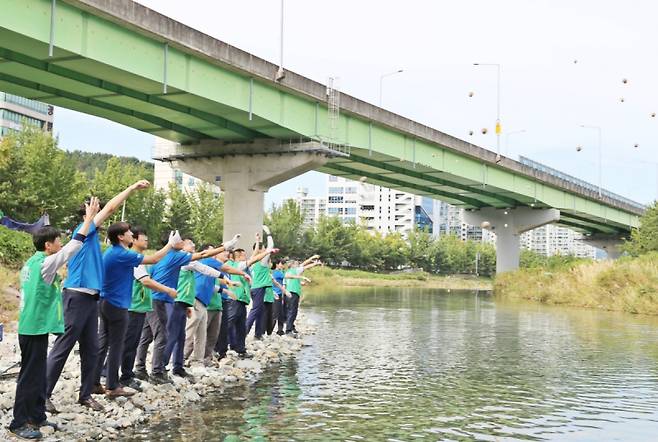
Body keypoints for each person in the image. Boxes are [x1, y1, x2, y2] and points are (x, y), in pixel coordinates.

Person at [46, 181, 150, 413]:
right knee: (63, 347)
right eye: (93, 210)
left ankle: (87, 393)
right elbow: (111, 209)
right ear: (87, 214)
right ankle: (43, 394)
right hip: (76, 296)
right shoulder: (83, 231)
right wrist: (131, 188)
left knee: (91, 349)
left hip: (92, 299)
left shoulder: (90, 237)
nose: (99, 214)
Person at [9, 197, 99, 440]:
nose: (61, 243)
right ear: (48, 245)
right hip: (33, 327)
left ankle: (37, 415)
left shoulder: (32, 261)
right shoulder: (46, 264)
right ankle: (18, 422)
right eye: (58, 240)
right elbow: (75, 246)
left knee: (37, 373)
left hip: (33, 325)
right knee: (29, 376)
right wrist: (89, 218)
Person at [135, 234, 244, 383]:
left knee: (170, 336)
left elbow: (203, 267)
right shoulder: (177, 256)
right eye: (187, 242)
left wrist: (223, 279)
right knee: (164, 336)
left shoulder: (161, 257)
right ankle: (157, 370)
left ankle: (165, 367)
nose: (192, 245)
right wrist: (226, 247)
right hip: (162, 300)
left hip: (169, 300)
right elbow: (204, 258)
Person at [92, 223, 180, 398]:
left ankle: (94, 382)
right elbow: (154, 259)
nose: (132, 234)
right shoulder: (122, 254)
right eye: (128, 232)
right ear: (120, 237)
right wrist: (170, 244)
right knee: (118, 345)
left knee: (104, 343)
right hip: (117, 304)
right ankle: (112, 385)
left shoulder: (111, 252)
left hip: (105, 301)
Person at [165, 239, 243, 377]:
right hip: (187, 300)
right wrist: (234, 275)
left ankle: (197, 362)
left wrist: (225, 289)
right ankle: (173, 362)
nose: (193, 246)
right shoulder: (188, 260)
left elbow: (209, 283)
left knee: (201, 334)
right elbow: (206, 268)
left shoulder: (196, 262)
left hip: (198, 302)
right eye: (190, 243)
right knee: (184, 334)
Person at [118, 226, 177, 390]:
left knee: (140, 340)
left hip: (142, 306)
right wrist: (168, 290)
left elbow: (154, 261)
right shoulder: (132, 258)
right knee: (132, 342)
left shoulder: (139, 258)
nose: (146, 241)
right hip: (134, 306)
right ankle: (133, 375)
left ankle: (135, 371)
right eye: (143, 238)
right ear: (134, 240)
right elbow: (146, 281)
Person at [185, 245, 240, 366]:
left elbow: (212, 285)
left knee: (207, 335)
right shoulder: (206, 261)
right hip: (199, 300)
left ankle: (202, 360)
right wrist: (241, 274)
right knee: (192, 332)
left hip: (211, 303)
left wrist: (226, 291)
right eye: (222, 251)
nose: (225, 253)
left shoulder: (210, 266)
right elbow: (226, 270)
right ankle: (181, 358)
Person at [224, 245, 275, 358]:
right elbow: (253, 259)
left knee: (241, 326)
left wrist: (257, 243)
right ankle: (220, 347)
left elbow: (252, 257)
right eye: (243, 255)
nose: (245, 256)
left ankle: (240, 349)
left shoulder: (240, 266)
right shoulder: (237, 265)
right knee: (229, 322)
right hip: (235, 298)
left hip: (243, 299)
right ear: (238, 257)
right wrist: (267, 251)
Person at [245, 226, 278, 340]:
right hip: (259, 288)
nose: (265, 250)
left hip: (256, 288)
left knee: (260, 311)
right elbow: (271, 246)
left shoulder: (253, 260)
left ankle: (258, 334)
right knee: (255, 311)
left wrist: (257, 241)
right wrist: (268, 233)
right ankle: (244, 332)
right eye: (263, 248)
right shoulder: (262, 261)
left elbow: (256, 252)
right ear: (259, 250)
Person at [204, 266, 236, 364]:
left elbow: (217, 283)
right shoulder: (206, 268)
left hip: (219, 304)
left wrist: (228, 285)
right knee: (203, 332)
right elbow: (209, 285)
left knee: (218, 331)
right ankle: (194, 358)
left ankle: (217, 353)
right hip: (208, 305)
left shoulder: (220, 270)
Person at [284, 255, 321, 335]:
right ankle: (288, 330)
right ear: (293, 265)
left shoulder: (289, 271)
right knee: (292, 311)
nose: (298, 264)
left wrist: (300, 282)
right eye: (296, 263)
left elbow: (290, 281)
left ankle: (291, 327)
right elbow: (306, 266)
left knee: (291, 311)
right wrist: (314, 263)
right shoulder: (295, 271)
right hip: (293, 293)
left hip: (290, 293)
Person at [270, 260, 290, 336]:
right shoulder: (277, 272)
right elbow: (288, 276)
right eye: (281, 264)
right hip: (276, 295)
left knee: (281, 313)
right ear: (277, 264)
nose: (282, 265)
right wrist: (300, 277)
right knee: (275, 314)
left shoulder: (278, 272)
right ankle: (269, 331)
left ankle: (280, 330)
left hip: (279, 294)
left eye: (283, 264)